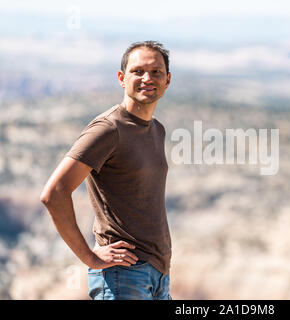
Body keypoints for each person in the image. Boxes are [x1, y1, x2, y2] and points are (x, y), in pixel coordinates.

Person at [40, 41, 173, 300]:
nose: (148, 78)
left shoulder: (156, 129)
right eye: (138, 71)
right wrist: (89, 256)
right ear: (122, 78)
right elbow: (54, 193)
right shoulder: (108, 129)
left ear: (167, 80)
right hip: (123, 277)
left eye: (156, 72)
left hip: (157, 274)